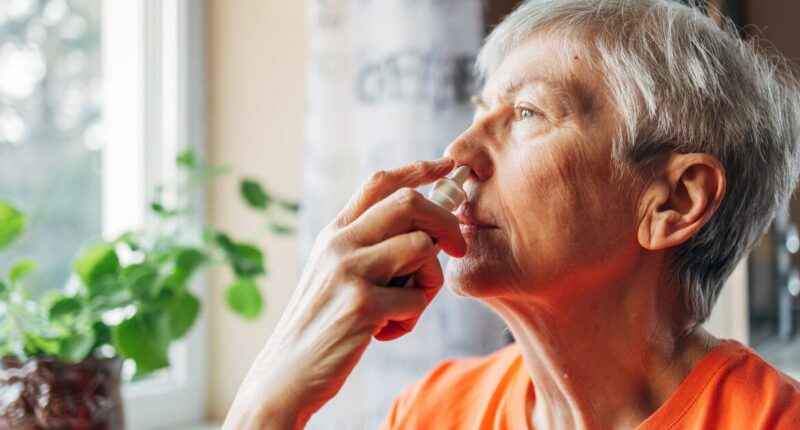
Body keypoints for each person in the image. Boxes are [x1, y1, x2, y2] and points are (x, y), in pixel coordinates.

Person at [223, 0, 800, 428]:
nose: (459, 153)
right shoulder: (431, 412)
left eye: (526, 112)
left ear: (674, 202)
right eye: (479, 111)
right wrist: (267, 404)